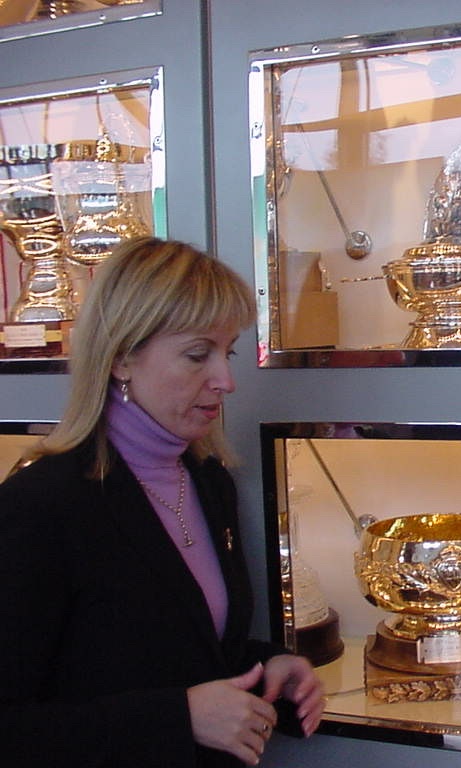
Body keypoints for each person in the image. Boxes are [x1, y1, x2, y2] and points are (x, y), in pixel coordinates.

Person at [0, 237, 324, 767]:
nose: (226, 381)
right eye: (198, 355)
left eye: (228, 352)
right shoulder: (38, 508)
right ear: (122, 357)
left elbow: (185, 649)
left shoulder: (208, 480)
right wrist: (178, 718)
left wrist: (270, 668)